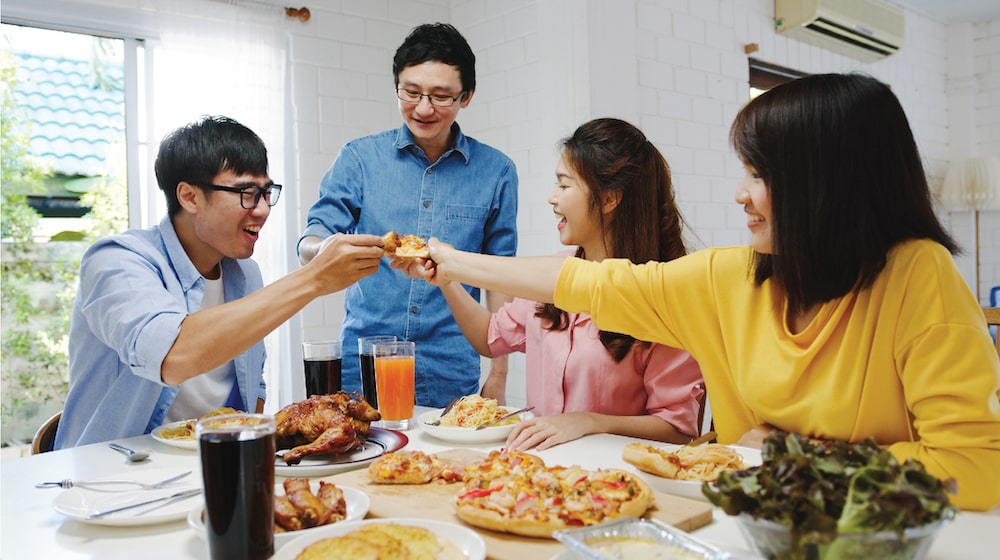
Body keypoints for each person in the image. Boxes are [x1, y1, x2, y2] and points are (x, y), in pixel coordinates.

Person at [402, 73, 1000, 511]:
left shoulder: (918, 275)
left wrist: (800, 456)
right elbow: (592, 282)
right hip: (755, 523)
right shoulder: (731, 277)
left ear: (829, 185)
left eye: (759, 174)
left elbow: (974, 469)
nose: (741, 194)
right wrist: (452, 264)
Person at [54, 116, 384, 449]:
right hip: (109, 478)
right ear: (189, 196)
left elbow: (254, 389)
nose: (263, 209)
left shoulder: (245, 274)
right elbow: (171, 356)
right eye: (246, 193)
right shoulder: (118, 261)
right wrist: (313, 277)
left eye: (267, 193)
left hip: (216, 468)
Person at [397, 118, 703, 450]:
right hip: (540, 472)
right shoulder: (552, 275)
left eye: (564, 185)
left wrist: (589, 422)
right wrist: (447, 280)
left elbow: (679, 429)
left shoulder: (664, 293)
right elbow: (489, 338)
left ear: (609, 199)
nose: (551, 197)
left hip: (615, 480)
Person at [297, 23, 518, 408]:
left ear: (467, 97)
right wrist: (325, 248)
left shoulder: (497, 171)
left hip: (450, 363)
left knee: (444, 469)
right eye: (411, 92)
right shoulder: (359, 158)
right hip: (363, 361)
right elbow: (311, 240)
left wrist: (499, 373)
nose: (423, 108)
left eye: (441, 96)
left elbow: (500, 277)